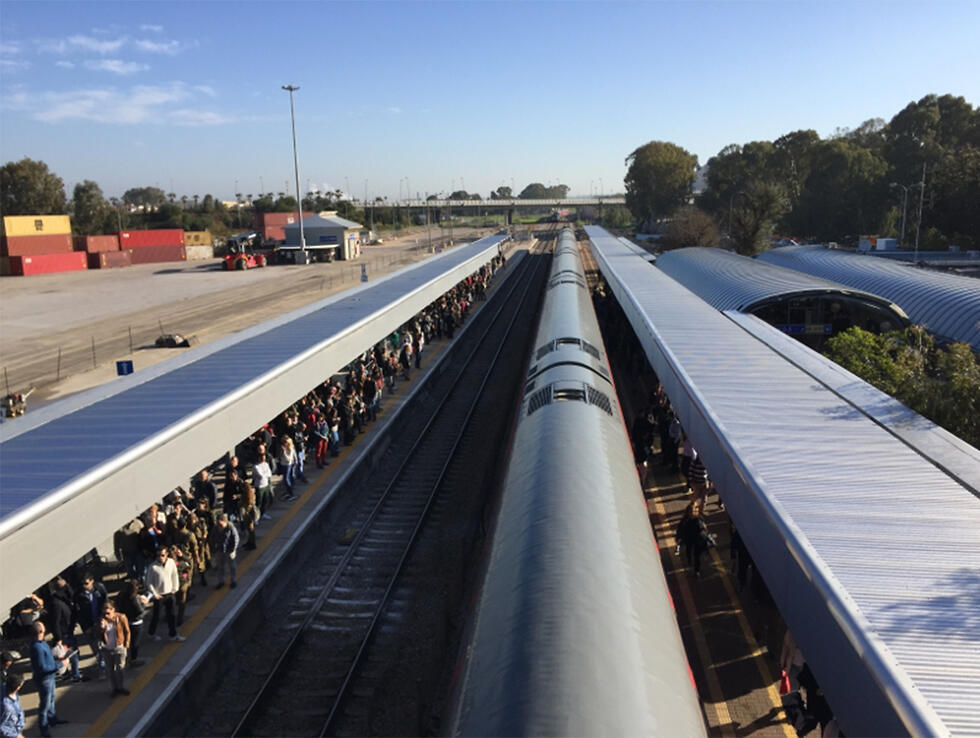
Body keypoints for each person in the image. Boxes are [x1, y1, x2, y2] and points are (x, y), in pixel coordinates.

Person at [28, 621, 65, 737]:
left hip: (50, 677)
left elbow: (47, 655)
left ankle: (52, 718)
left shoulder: (41, 643)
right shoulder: (37, 648)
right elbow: (42, 667)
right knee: (44, 704)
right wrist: (59, 665)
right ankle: (44, 728)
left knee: (52, 699)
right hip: (45, 679)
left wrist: (56, 657)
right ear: (40, 632)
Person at [145, 548, 185, 643]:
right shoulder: (153, 567)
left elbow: (175, 575)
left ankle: (173, 634)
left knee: (172, 615)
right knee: (156, 616)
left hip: (170, 593)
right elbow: (149, 582)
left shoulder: (171, 562)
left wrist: (175, 588)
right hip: (159, 595)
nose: (160, 557)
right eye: (158, 555)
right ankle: (151, 633)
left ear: (166, 554)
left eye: (162, 555)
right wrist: (155, 594)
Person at [97, 602, 131, 696]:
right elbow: (97, 635)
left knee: (120, 668)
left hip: (119, 647)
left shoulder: (121, 617)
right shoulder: (101, 621)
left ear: (113, 610)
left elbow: (127, 631)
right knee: (110, 669)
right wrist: (102, 629)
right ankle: (114, 688)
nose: (106, 616)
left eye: (108, 613)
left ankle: (121, 686)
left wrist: (126, 644)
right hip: (107, 648)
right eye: (104, 614)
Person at [117, 580, 148, 667]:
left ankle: (124, 658)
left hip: (125, 621)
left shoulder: (121, 596)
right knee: (135, 642)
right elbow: (140, 610)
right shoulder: (134, 598)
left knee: (125, 640)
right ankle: (133, 659)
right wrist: (144, 603)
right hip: (136, 622)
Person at [212, 513, 240, 589]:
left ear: (224, 521)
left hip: (229, 550)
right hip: (220, 549)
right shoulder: (215, 528)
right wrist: (214, 548)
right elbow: (212, 538)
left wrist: (233, 549)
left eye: (220, 522)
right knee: (220, 566)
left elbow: (236, 538)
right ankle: (221, 581)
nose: (218, 524)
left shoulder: (231, 528)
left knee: (232, 566)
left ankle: (233, 580)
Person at [1, 673, 25, 738]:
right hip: (12, 733)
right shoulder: (7, 707)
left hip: (17, 727)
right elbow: (2, 726)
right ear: (17, 687)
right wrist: (16, 736)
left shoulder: (8, 689)